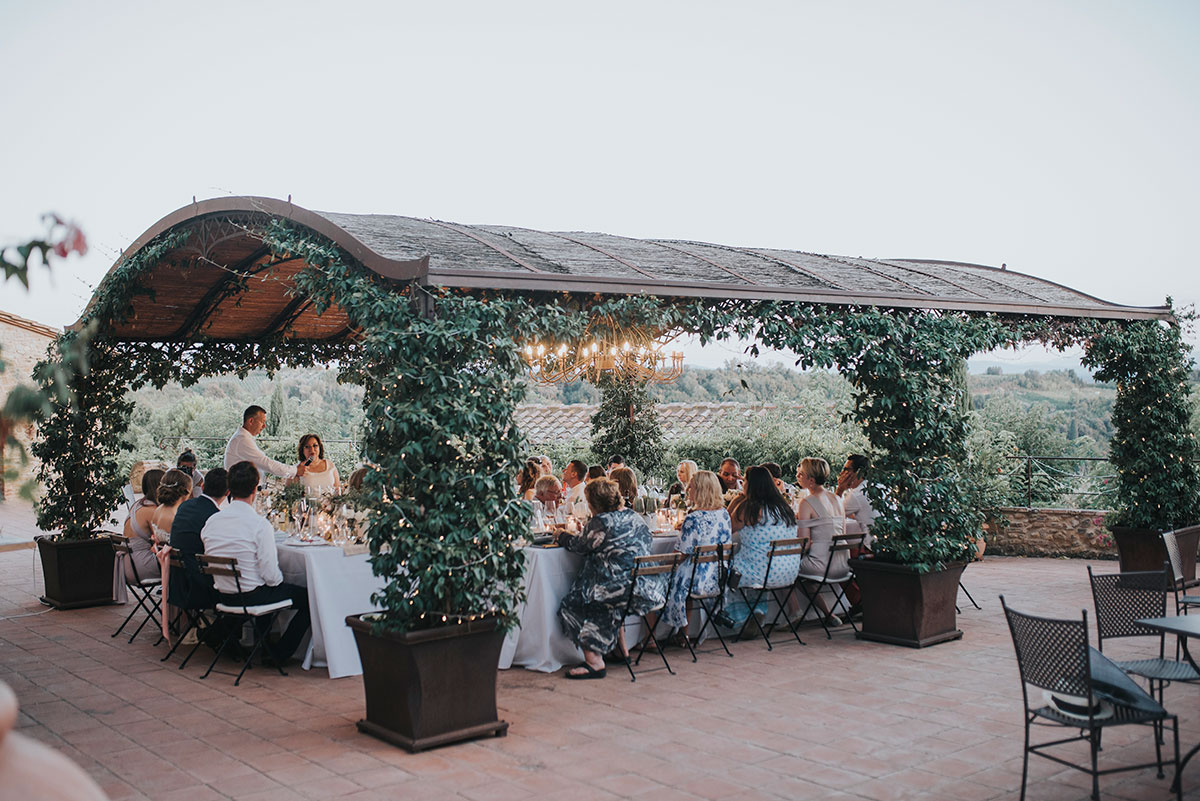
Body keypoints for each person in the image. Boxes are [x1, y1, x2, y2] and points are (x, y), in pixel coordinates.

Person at [201, 461, 311, 664]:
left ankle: (265, 645)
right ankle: (278, 653)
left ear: (229, 489)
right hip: (249, 598)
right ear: (255, 489)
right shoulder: (259, 525)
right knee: (310, 598)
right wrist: (279, 581)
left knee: (263, 586)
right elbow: (271, 576)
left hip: (223, 595)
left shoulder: (212, 521)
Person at [556, 478, 659, 679]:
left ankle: (594, 661)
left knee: (573, 605)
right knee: (609, 602)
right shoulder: (634, 516)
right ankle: (621, 651)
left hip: (617, 590)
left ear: (593, 502)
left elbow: (580, 546)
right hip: (645, 587)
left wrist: (560, 535)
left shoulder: (601, 522)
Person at [661, 471, 731, 639]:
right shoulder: (724, 514)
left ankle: (665, 634)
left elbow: (681, 554)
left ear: (700, 490)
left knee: (662, 577)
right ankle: (684, 633)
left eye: (690, 487)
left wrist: (661, 564)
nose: (687, 490)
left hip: (696, 580)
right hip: (718, 576)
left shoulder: (694, 518)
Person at [725, 465, 798, 626]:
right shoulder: (784, 507)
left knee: (725, 569)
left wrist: (737, 500)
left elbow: (726, 529)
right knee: (753, 562)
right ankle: (757, 611)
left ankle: (741, 619)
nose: (741, 483)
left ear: (751, 485)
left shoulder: (749, 507)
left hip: (761, 572)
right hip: (789, 571)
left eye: (744, 480)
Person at [795, 457, 847, 626]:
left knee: (787, 570)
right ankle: (829, 614)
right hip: (843, 563)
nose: (797, 475)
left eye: (800, 473)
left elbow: (805, 543)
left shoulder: (806, 502)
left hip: (823, 566)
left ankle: (800, 613)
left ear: (811, 480)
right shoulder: (838, 499)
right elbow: (843, 533)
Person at [168, 467, 227, 611]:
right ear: (227, 492)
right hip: (199, 586)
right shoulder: (215, 517)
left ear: (202, 486)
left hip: (177, 581)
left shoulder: (185, 506)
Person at [224, 404, 304, 481]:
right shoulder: (242, 440)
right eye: (262, 422)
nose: (264, 426)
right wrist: (295, 470)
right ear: (251, 421)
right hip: (241, 492)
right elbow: (266, 464)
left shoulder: (244, 438)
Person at [122, 468, 163, 584]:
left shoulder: (137, 505)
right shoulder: (152, 510)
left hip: (128, 565)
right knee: (181, 566)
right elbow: (163, 538)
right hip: (142, 566)